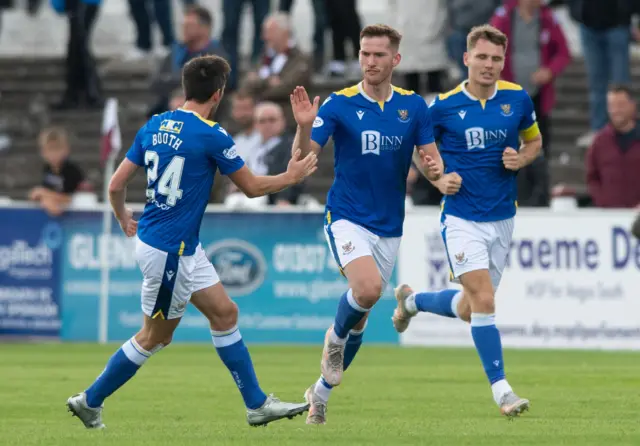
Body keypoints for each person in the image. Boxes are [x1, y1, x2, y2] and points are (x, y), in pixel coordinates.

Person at [66, 55, 317, 429]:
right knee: (154, 336)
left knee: (225, 313)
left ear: (186, 89)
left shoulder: (154, 125)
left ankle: (257, 404)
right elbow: (250, 187)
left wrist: (122, 217)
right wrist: (290, 176)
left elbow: (116, 185)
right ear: (218, 94)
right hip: (171, 251)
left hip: (171, 243)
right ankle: (90, 399)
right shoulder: (211, 134)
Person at [289, 24, 443, 424]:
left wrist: (436, 171)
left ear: (395, 59)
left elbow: (431, 164)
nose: (370, 61)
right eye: (364, 54)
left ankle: (318, 395)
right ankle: (333, 341)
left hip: (389, 225)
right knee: (368, 289)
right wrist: (305, 125)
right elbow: (301, 161)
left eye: (378, 55)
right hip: (347, 217)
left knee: (363, 314)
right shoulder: (339, 105)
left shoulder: (413, 107)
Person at [391, 24, 543, 417]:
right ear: (466, 58)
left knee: (470, 308)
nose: (488, 65)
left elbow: (534, 141)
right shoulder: (442, 107)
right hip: (461, 218)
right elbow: (416, 150)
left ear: (502, 61)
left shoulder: (517, 99)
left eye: (496, 59)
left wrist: (522, 158)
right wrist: (438, 178)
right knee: (486, 300)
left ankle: (411, 301)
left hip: (503, 217)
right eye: (482, 57)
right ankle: (503, 392)